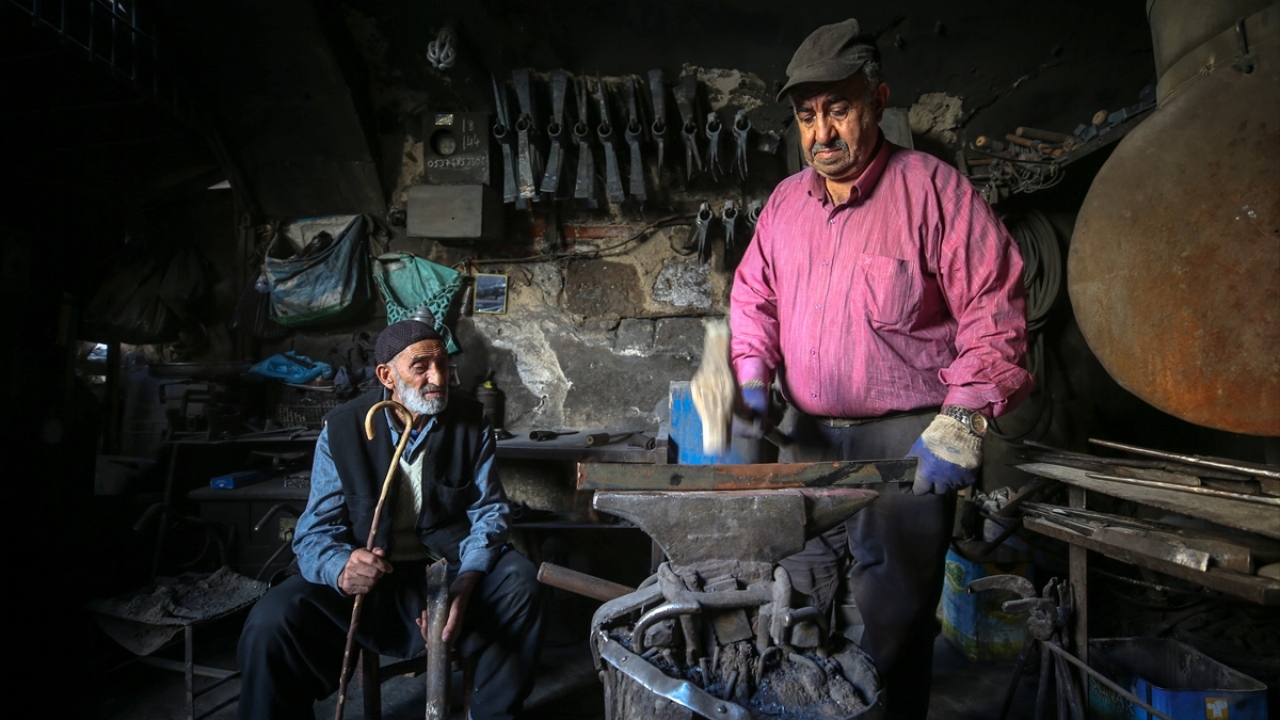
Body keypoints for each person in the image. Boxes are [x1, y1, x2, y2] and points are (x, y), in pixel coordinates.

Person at [729, 18, 1033, 720]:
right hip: (802, 436)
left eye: (839, 109)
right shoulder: (784, 207)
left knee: (893, 622)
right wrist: (752, 376)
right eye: (807, 116)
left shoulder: (933, 191)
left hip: (903, 444)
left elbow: (994, 308)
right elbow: (753, 299)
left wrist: (961, 421)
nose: (822, 134)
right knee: (799, 599)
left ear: (878, 101)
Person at [237, 318, 543, 720]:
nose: (439, 378)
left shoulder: (470, 421)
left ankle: (490, 714)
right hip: (372, 582)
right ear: (387, 375)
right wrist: (341, 567)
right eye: (421, 367)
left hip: (445, 571)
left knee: (522, 583)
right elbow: (315, 531)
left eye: (443, 365)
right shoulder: (344, 428)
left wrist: (467, 581)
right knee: (272, 620)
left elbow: (488, 513)